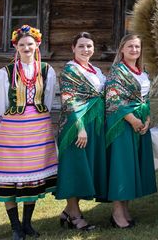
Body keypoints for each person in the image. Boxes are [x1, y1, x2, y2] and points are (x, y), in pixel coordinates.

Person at [0, 25, 58, 240]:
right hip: (13, 128)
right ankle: (15, 226)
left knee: (33, 175)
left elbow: (49, 98)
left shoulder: (46, 70)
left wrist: (40, 115)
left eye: (30, 44)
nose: (26, 47)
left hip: (38, 127)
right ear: (16, 46)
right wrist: (5, 119)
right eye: (22, 44)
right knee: (9, 175)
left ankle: (27, 224)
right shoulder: (5, 72)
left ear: (37, 45)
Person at [104, 34, 157, 229]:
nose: (134, 50)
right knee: (122, 166)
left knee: (133, 165)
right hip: (122, 123)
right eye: (130, 46)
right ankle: (117, 211)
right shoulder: (117, 71)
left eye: (137, 47)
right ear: (122, 50)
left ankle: (125, 208)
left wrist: (148, 118)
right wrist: (132, 119)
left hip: (140, 121)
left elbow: (147, 98)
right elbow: (113, 98)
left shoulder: (143, 71)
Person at [55, 32, 106, 231]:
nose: (86, 50)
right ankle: (75, 215)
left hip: (94, 123)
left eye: (89, 46)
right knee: (74, 168)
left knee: (85, 168)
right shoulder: (70, 70)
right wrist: (80, 128)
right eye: (82, 46)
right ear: (73, 48)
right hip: (76, 125)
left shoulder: (96, 70)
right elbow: (69, 100)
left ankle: (68, 211)